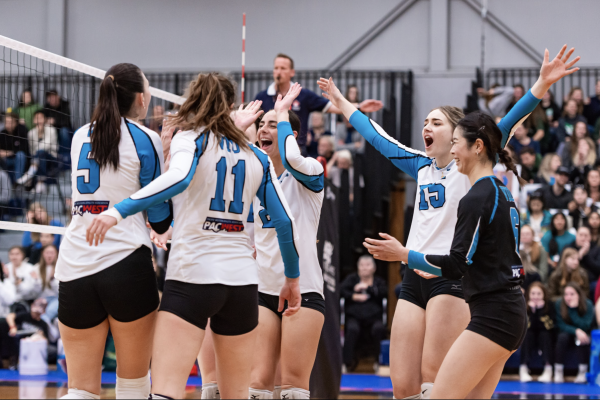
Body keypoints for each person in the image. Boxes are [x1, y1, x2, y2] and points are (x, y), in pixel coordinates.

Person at [319, 44, 579, 399]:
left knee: (434, 381)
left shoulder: (471, 166)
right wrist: (341, 102)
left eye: (436, 122)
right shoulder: (420, 167)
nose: (426, 126)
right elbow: (376, 137)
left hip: (449, 275)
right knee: (403, 386)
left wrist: (542, 85)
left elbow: (509, 120)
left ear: (458, 136)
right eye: (425, 122)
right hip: (413, 276)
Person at [87, 73, 301, 400]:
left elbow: (180, 177)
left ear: (194, 101)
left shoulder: (192, 138)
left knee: (167, 390)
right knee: (235, 394)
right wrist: (292, 279)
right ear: (229, 105)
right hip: (242, 284)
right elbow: (284, 222)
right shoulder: (256, 155)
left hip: (193, 278)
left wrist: (118, 211)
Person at [371, 107, 548, 398]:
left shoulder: (476, 196)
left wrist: (404, 254)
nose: (453, 151)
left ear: (477, 146)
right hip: (508, 309)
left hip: (492, 314)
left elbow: (456, 263)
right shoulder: (502, 191)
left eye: (455, 142)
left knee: (439, 392)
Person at [54, 63, 173, 400]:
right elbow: (158, 213)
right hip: (125, 264)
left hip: (75, 265)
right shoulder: (145, 137)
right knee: (134, 385)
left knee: (80, 390)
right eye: (148, 88)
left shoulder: (79, 135)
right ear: (139, 97)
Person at [243, 83, 325, 400]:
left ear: (289, 134)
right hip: (264, 290)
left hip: (303, 291)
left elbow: (291, 157)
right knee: (258, 382)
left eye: (272, 125)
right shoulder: (253, 178)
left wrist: (282, 111)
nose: (264, 129)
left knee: (292, 386)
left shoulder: (310, 172)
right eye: (261, 124)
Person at [254, 54, 382, 147]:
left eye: (283, 68)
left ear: (292, 72)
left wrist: (359, 106)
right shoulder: (263, 96)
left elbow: (332, 107)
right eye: (276, 68)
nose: (278, 72)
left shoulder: (303, 94)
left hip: (297, 149)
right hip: (268, 148)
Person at [340, 255, 387, 372]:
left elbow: (384, 292)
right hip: (354, 316)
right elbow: (340, 290)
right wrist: (353, 295)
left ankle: (379, 362)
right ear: (357, 267)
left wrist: (369, 288)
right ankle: (347, 363)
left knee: (379, 329)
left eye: (367, 265)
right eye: (362, 265)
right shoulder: (351, 279)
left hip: (374, 317)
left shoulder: (378, 281)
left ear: (374, 268)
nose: (364, 268)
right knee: (351, 329)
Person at [553, 283, 594, 383]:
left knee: (582, 339)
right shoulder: (559, 304)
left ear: (579, 295)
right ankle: (558, 371)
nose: (568, 297)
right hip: (565, 333)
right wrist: (576, 331)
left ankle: (582, 372)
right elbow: (560, 324)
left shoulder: (587, 304)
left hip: (582, 334)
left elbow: (586, 325)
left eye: (572, 294)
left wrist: (573, 310)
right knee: (562, 337)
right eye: (566, 294)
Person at [519, 282, 555, 383]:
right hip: (530, 335)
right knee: (527, 334)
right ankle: (523, 368)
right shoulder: (523, 305)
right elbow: (526, 326)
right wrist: (533, 310)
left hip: (544, 335)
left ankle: (548, 369)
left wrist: (539, 311)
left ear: (544, 294)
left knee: (545, 334)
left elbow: (549, 326)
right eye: (533, 293)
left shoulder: (549, 305)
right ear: (528, 295)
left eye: (539, 294)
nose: (536, 296)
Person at [18, 110, 59, 193]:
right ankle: (40, 182)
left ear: (45, 119)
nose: (39, 120)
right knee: (39, 156)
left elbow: (46, 146)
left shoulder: (52, 130)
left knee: (41, 153)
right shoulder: (31, 133)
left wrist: (40, 134)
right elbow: (32, 151)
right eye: (36, 118)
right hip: (38, 159)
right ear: (33, 120)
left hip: (52, 158)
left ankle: (30, 173)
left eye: (40, 118)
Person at [566, 225, 600, 297]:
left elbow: (598, 269)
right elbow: (563, 265)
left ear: (590, 237)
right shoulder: (568, 247)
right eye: (580, 235)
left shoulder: (597, 249)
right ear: (576, 236)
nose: (583, 238)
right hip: (570, 280)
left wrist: (586, 255)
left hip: (590, 282)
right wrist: (580, 254)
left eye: (586, 235)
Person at [0, 112, 30, 183]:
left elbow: (24, 148)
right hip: (7, 160)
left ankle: (18, 182)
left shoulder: (22, 130)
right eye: (6, 122)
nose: (8, 124)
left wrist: (9, 152)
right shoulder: (2, 133)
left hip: (22, 160)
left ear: (16, 123)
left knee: (20, 154)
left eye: (10, 122)